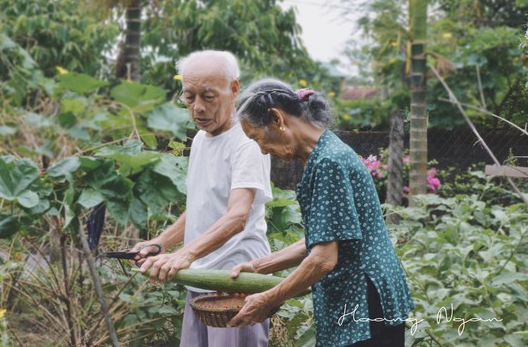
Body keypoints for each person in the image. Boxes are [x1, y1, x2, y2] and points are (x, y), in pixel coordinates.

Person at [228, 79, 414, 347]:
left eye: (257, 137)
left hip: (364, 298)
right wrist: (259, 266)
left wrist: (269, 298)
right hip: (361, 295)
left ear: (276, 118)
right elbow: (323, 237)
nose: (262, 149)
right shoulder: (322, 154)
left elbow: (324, 258)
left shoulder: (328, 161)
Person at [134, 50, 273, 347]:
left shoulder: (247, 141)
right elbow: (199, 207)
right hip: (201, 279)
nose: (197, 108)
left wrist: (184, 255)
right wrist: (160, 243)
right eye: (189, 97)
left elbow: (237, 216)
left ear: (234, 89)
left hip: (235, 284)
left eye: (208, 96)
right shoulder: (200, 138)